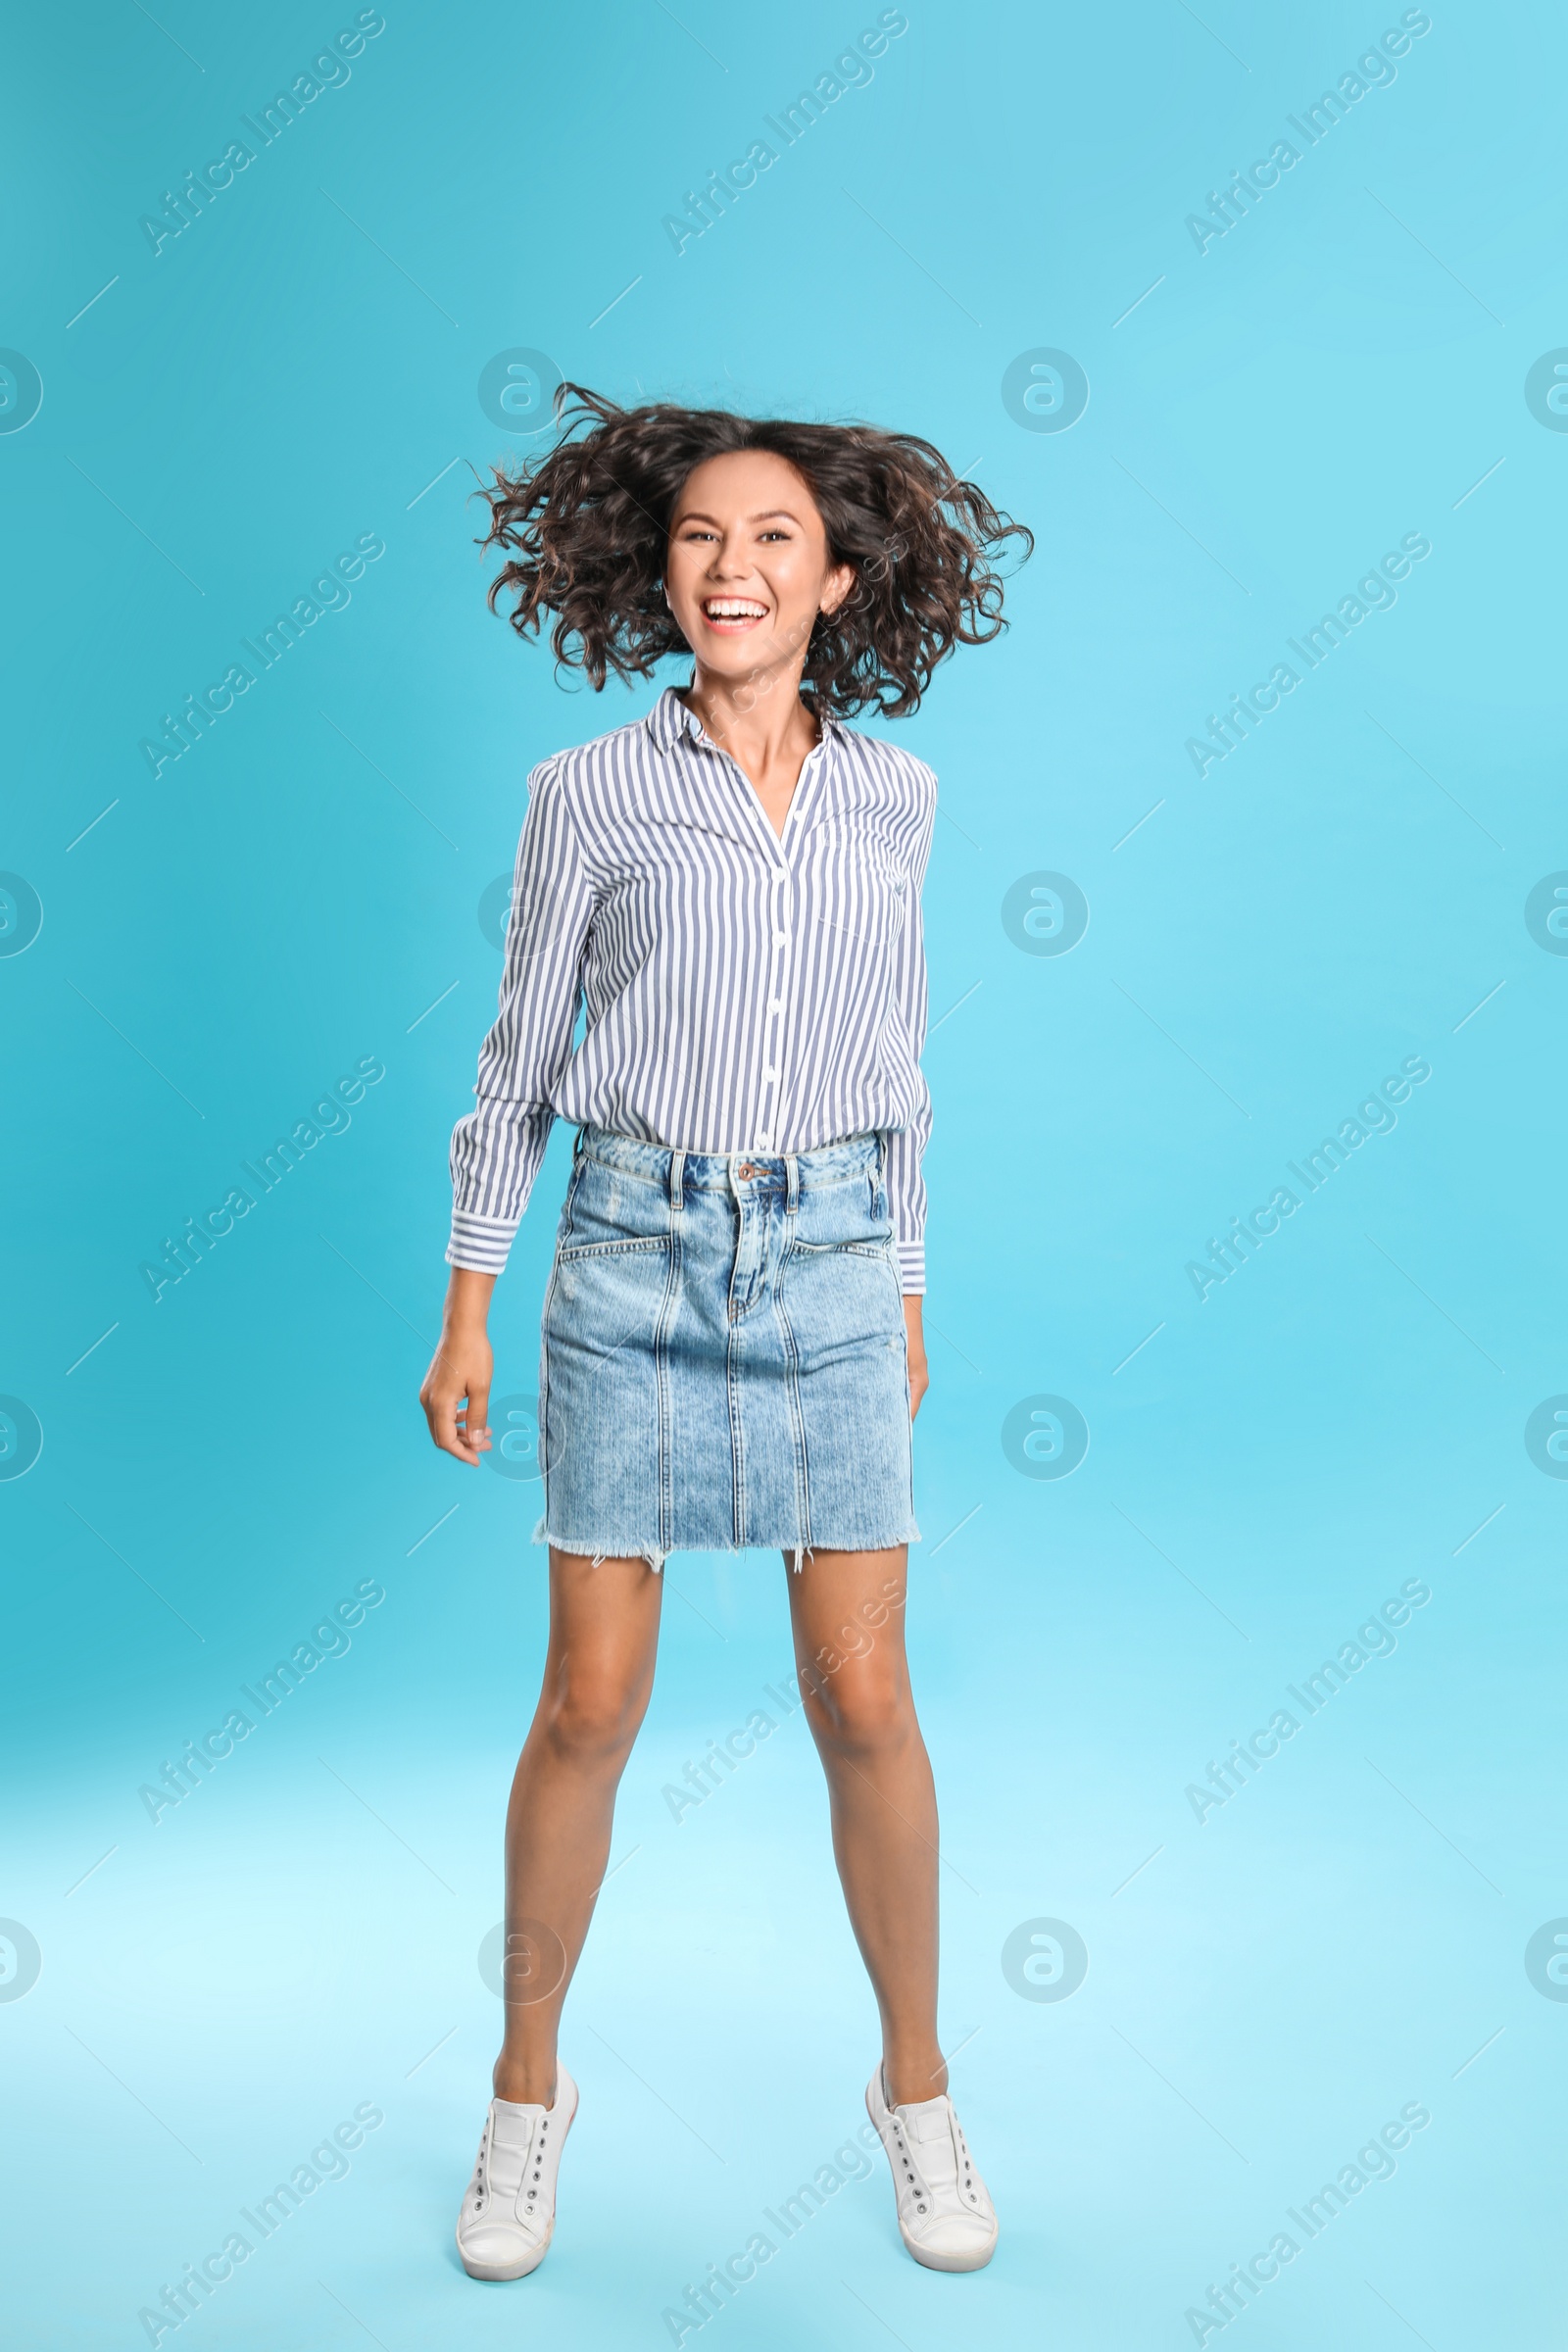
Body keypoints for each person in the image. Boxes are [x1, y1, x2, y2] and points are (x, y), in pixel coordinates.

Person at [418, 385, 1031, 2283]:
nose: (732, 564)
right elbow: (518, 1066)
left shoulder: (897, 800)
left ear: (839, 581)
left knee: (863, 1699)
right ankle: (526, 2096)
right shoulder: (582, 793)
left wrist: (904, 1293)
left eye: (773, 536)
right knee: (588, 1705)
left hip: (837, 1262)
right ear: (655, 574)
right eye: (699, 536)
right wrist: (468, 1304)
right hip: (630, 1263)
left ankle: (914, 2092)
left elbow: (899, 1076)